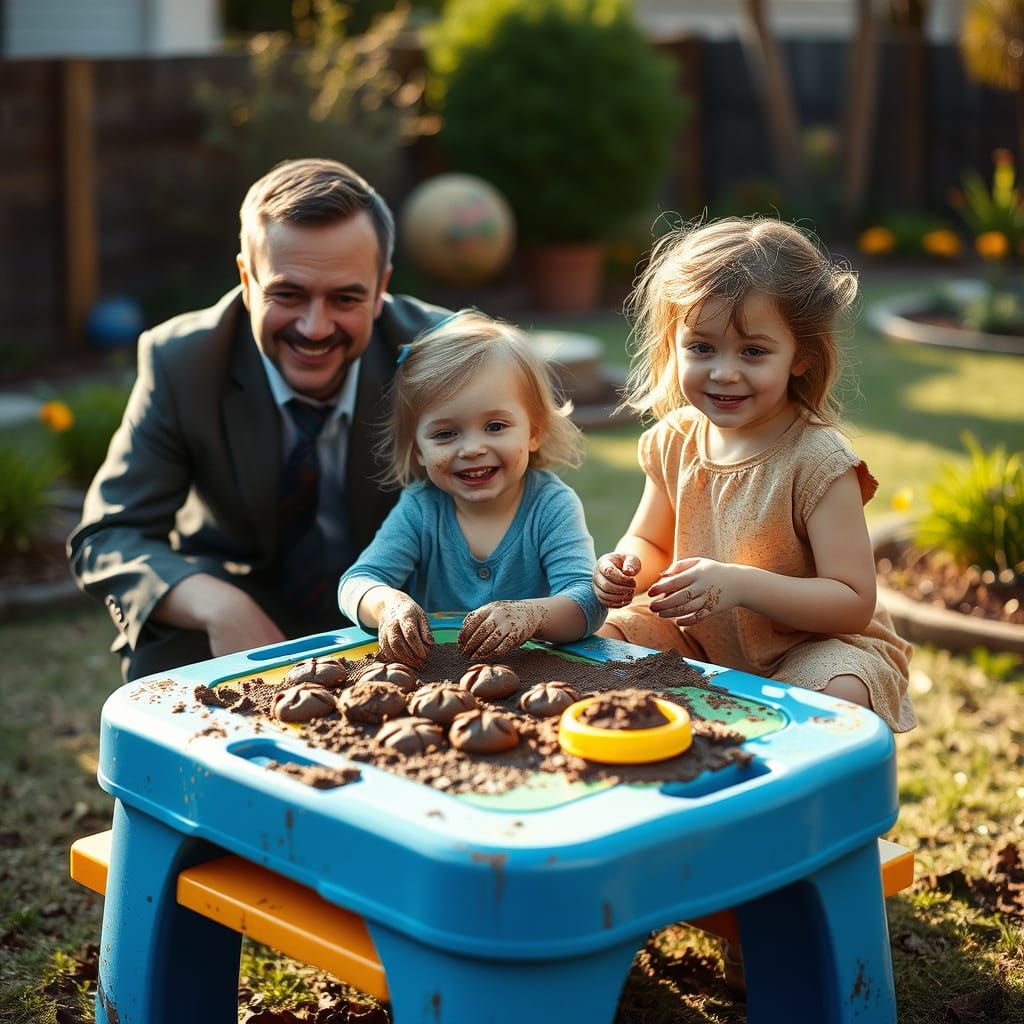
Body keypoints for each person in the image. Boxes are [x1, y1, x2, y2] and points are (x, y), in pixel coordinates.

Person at [68, 158, 449, 681]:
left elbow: (517, 502)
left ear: (380, 286)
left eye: (344, 298)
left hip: (406, 605)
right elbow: (110, 535)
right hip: (248, 594)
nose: (314, 328)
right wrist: (220, 607)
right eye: (287, 294)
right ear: (247, 280)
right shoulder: (182, 362)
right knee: (166, 646)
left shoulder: (444, 355)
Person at [592, 217, 916, 736]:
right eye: (701, 347)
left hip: (811, 647)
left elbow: (852, 603)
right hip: (699, 638)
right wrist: (625, 564)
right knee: (608, 636)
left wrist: (742, 584)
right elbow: (649, 540)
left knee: (841, 691)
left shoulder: (819, 462)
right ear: (671, 342)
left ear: (801, 357)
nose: (724, 372)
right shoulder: (675, 438)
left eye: (754, 352)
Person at [337, 310, 606, 666]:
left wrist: (530, 616)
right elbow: (356, 582)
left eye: (495, 426)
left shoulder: (550, 506)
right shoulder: (421, 509)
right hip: (439, 683)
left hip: (540, 679)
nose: (471, 449)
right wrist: (389, 604)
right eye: (446, 434)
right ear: (419, 449)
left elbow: (587, 602)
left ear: (534, 430)